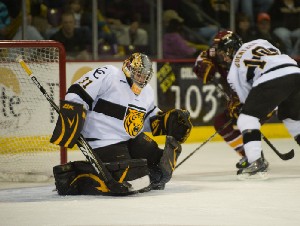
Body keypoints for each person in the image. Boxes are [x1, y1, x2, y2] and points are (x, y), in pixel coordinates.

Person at [51, 52, 192, 196]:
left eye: (145, 76)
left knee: (159, 166)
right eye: (138, 74)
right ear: (128, 68)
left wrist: (169, 122)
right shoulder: (109, 74)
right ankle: (74, 177)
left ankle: (147, 177)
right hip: (104, 141)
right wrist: (72, 114)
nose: (142, 79)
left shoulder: (147, 91)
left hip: (130, 139)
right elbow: (77, 92)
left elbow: (148, 119)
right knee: (132, 177)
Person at [212, 31, 300, 178]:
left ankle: (255, 162)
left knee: (246, 119)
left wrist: (242, 110)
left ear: (230, 48)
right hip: (295, 72)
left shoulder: (233, 70)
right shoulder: (259, 41)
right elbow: (276, 55)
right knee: (294, 122)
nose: (225, 58)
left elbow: (249, 103)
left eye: (224, 53)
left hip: (271, 77)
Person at [193, 30, 248, 169]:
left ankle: (255, 157)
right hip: (242, 98)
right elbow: (201, 59)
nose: (220, 54)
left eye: (222, 50)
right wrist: (202, 65)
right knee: (221, 122)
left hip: (263, 100)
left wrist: (243, 102)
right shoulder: (220, 55)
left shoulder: (247, 59)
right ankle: (249, 154)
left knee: (246, 122)